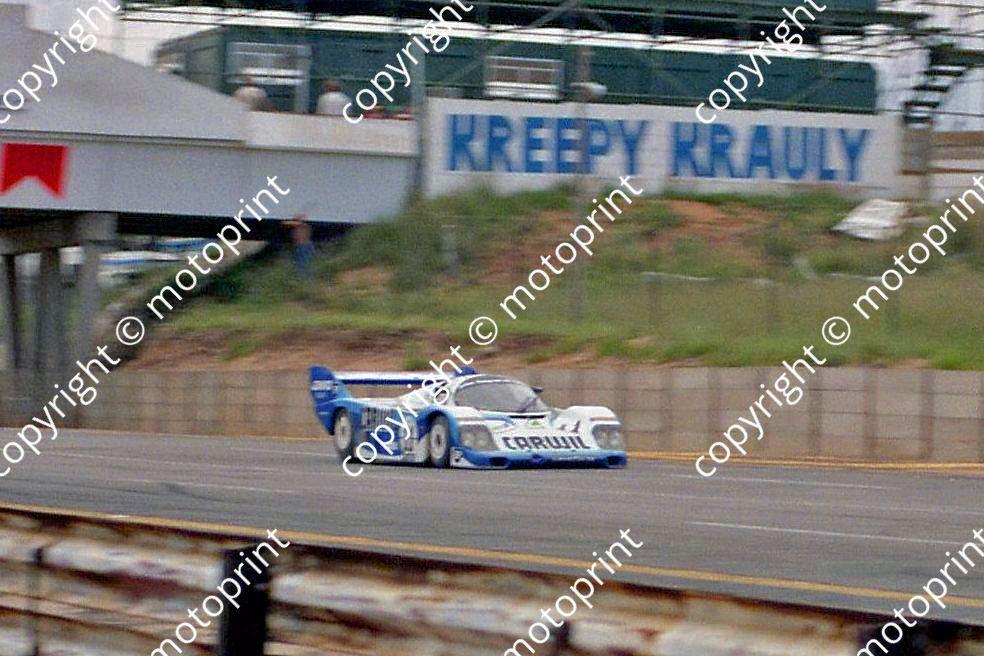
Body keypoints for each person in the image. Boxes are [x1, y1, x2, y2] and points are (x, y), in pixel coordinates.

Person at [285, 215, 314, 279]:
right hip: (299, 247)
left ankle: (307, 277)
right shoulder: (298, 226)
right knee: (299, 264)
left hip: (304, 247)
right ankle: (302, 277)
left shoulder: (304, 225)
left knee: (305, 263)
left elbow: (289, 223)